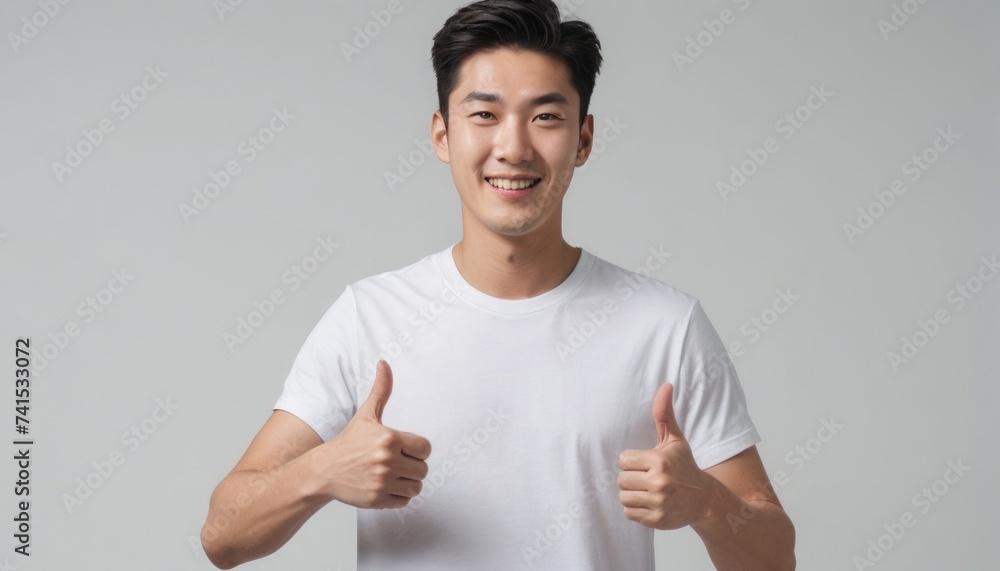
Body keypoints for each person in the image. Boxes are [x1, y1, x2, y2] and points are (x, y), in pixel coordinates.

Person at [201, 0, 796, 569]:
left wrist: (706, 504)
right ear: (442, 135)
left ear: (583, 139)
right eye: (484, 115)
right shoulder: (369, 316)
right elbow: (223, 538)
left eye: (546, 117)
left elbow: (776, 561)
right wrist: (322, 471)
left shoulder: (666, 325)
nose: (513, 148)